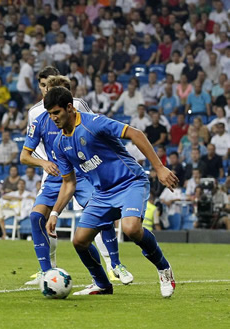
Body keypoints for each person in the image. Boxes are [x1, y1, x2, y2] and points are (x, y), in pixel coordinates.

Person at [44, 86, 177, 297]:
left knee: (131, 228)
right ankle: (103, 285)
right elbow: (69, 183)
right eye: (50, 114)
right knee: (79, 241)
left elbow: (135, 133)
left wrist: (159, 168)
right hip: (103, 194)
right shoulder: (60, 143)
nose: (53, 118)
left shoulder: (93, 123)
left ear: (69, 108)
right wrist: (54, 213)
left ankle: (164, 268)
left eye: (56, 113)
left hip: (130, 182)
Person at [20, 68, 132, 285]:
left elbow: (92, 130)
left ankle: (115, 264)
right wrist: (44, 162)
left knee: (102, 213)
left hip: (82, 174)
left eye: (51, 88)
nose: (47, 92)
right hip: (55, 175)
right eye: (44, 87)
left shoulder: (78, 108)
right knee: (36, 217)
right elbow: (25, 154)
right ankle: (46, 271)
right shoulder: (37, 117)